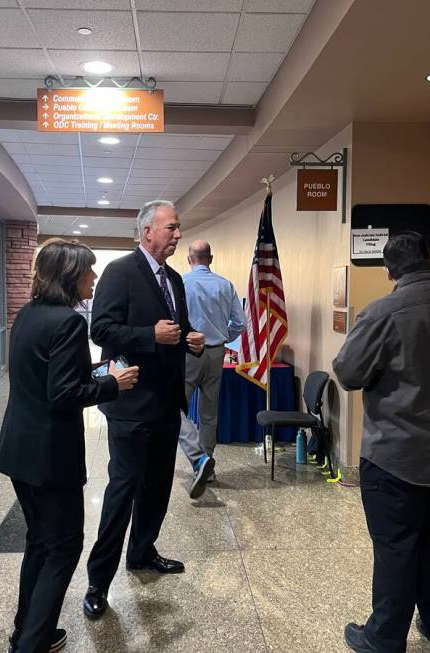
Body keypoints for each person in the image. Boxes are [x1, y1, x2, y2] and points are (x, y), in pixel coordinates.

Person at [332, 232, 430, 653]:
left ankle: (383, 639)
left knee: (396, 548)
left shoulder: (382, 313)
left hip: (398, 456)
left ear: (388, 270)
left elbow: (348, 373)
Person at [0, 239, 139, 653]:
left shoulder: (29, 314)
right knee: (63, 547)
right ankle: (32, 643)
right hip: (50, 456)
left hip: (19, 450)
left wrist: (93, 369)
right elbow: (64, 394)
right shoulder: (70, 322)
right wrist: (113, 383)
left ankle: (26, 629)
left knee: (39, 541)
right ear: (71, 276)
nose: (94, 279)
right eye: (89, 272)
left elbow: (48, 373)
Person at [82, 200, 205, 619]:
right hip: (132, 405)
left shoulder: (174, 279)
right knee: (122, 491)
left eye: (179, 228)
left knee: (157, 488)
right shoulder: (119, 273)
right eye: (171, 227)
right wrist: (150, 336)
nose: (178, 234)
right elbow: (101, 330)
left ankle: (142, 551)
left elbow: (177, 327)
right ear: (147, 230)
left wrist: (190, 337)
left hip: (167, 403)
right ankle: (98, 580)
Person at [177, 240, 245, 498]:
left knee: (176, 407)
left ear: (189, 259)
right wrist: (221, 337)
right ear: (211, 258)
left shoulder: (180, 283)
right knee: (209, 411)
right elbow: (240, 323)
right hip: (217, 353)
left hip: (188, 352)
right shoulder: (225, 285)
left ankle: (197, 459)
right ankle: (207, 462)